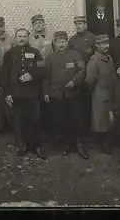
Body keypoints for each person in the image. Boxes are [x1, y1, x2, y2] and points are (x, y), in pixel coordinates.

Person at [1, 28, 46, 159]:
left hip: (32, 93)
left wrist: (32, 75)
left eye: (24, 36)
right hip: (16, 93)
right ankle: (22, 145)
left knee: (35, 120)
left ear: (28, 38)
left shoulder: (35, 52)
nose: (21, 39)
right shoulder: (9, 54)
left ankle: (36, 146)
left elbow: (42, 69)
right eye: (19, 36)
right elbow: (4, 75)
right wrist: (7, 93)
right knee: (19, 121)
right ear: (15, 38)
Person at [43, 31, 89, 159]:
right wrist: (46, 92)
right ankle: (66, 144)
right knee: (61, 120)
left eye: (63, 41)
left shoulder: (75, 54)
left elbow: (82, 70)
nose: (61, 44)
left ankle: (79, 145)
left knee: (76, 119)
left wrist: (74, 82)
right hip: (57, 94)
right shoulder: (50, 57)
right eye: (58, 42)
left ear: (67, 42)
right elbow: (46, 77)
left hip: (72, 93)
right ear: (55, 43)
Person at [85, 34, 117, 154]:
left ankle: (107, 140)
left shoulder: (109, 58)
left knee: (109, 118)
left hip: (111, 91)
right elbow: (89, 80)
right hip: (99, 92)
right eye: (102, 44)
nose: (105, 46)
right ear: (96, 46)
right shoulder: (94, 61)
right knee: (101, 119)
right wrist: (94, 92)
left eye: (107, 44)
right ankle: (103, 143)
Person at [68, 15, 97, 136]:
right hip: (77, 76)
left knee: (91, 104)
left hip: (90, 76)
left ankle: (93, 131)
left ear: (85, 25)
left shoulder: (92, 38)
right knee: (79, 106)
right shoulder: (72, 40)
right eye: (76, 24)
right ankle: (82, 131)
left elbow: (96, 56)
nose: (78, 26)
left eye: (81, 23)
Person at [29, 14, 54, 134]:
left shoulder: (51, 37)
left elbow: (54, 52)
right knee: (36, 97)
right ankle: (36, 126)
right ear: (32, 26)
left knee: (48, 96)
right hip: (34, 71)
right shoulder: (29, 39)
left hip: (48, 70)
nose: (39, 25)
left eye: (41, 23)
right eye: (36, 23)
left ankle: (48, 125)